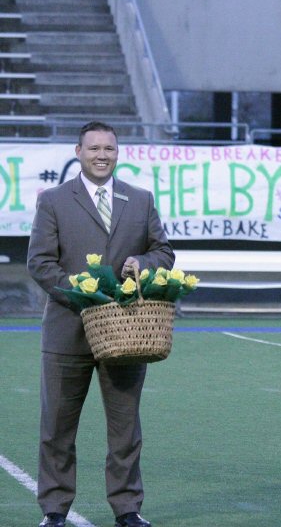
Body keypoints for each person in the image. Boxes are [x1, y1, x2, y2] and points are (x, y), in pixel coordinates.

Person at [27, 121, 175, 527]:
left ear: (117, 152)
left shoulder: (140, 200)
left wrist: (142, 264)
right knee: (56, 429)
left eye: (108, 148)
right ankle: (54, 511)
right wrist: (82, 292)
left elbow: (164, 251)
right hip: (66, 332)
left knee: (126, 431)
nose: (101, 155)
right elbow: (39, 262)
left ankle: (128, 509)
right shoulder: (54, 200)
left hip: (127, 332)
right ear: (78, 152)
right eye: (93, 148)